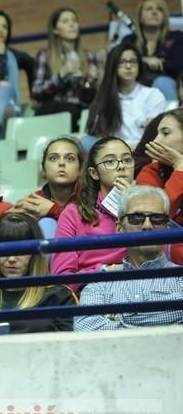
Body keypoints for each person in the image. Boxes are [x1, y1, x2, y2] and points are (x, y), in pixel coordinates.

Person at [75, 185, 183, 331]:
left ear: (167, 228)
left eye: (156, 218)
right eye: (136, 218)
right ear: (119, 229)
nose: (147, 225)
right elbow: (86, 329)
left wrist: (120, 317)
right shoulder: (99, 285)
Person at [0, 212, 76, 337]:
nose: (11, 258)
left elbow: (71, 350)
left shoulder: (59, 297)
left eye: (21, 250)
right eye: (4, 249)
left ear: (36, 254)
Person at [51, 137, 135, 284]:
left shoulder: (147, 207)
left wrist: (136, 206)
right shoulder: (73, 214)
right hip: (91, 292)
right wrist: (106, 271)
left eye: (127, 160)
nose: (122, 166)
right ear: (94, 173)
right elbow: (62, 278)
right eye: (110, 161)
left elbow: (162, 256)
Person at [84, 42, 166, 151]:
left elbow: (154, 135)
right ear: (113, 66)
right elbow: (101, 136)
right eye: (122, 62)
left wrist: (134, 149)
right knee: (85, 141)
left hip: (144, 152)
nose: (128, 66)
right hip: (114, 153)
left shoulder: (153, 95)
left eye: (133, 61)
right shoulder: (104, 97)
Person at [32, 8, 98, 132]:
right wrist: (61, 75)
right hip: (51, 110)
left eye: (74, 20)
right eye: (65, 21)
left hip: (79, 110)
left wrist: (90, 81)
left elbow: (89, 98)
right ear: (55, 29)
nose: (72, 24)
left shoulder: (88, 56)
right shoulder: (45, 55)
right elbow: (37, 92)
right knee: (69, 110)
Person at [11, 136, 84, 238]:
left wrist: (54, 210)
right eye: (53, 158)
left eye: (70, 159)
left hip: (86, 252)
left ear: (80, 170)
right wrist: (11, 220)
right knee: (47, 224)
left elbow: (90, 228)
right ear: (43, 170)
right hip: (41, 253)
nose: (62, 163)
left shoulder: (93, 197)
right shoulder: (32, 202)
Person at [122, 0, 183, 101]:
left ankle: (171, 117)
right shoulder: (129, 40)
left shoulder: (177, 37)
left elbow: (178, 64)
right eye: (149, 9)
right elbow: (120, 63)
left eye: (160, 9)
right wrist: (144, 60)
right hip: (135, 87)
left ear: (164, 16)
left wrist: (157, 64)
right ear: (140, 16)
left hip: (169, 86)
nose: (155, 12)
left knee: (162, 82)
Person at [136, 109, 183, 225]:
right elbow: (157, 218)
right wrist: (180, 168)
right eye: (157, 134)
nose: (156, 140)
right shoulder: (151, 171)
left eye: (165, 133)